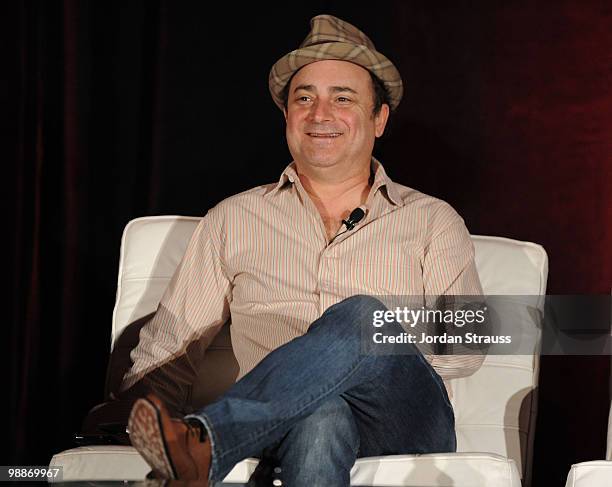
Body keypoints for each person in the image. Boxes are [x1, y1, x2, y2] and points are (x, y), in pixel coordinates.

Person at [123, 14, 485, 486]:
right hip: (283, 426)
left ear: (379, 119)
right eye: (305, 98)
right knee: (323, 415)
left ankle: (212, 443)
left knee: (362, 320)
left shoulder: (433, 219)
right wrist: (132, 417)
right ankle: (205, 448)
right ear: (287, 117)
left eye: (343, 98)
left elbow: (467, 345)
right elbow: (173, 343)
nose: (320, 114)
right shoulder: (234, 219)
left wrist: (357, 352)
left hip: (405, 419)